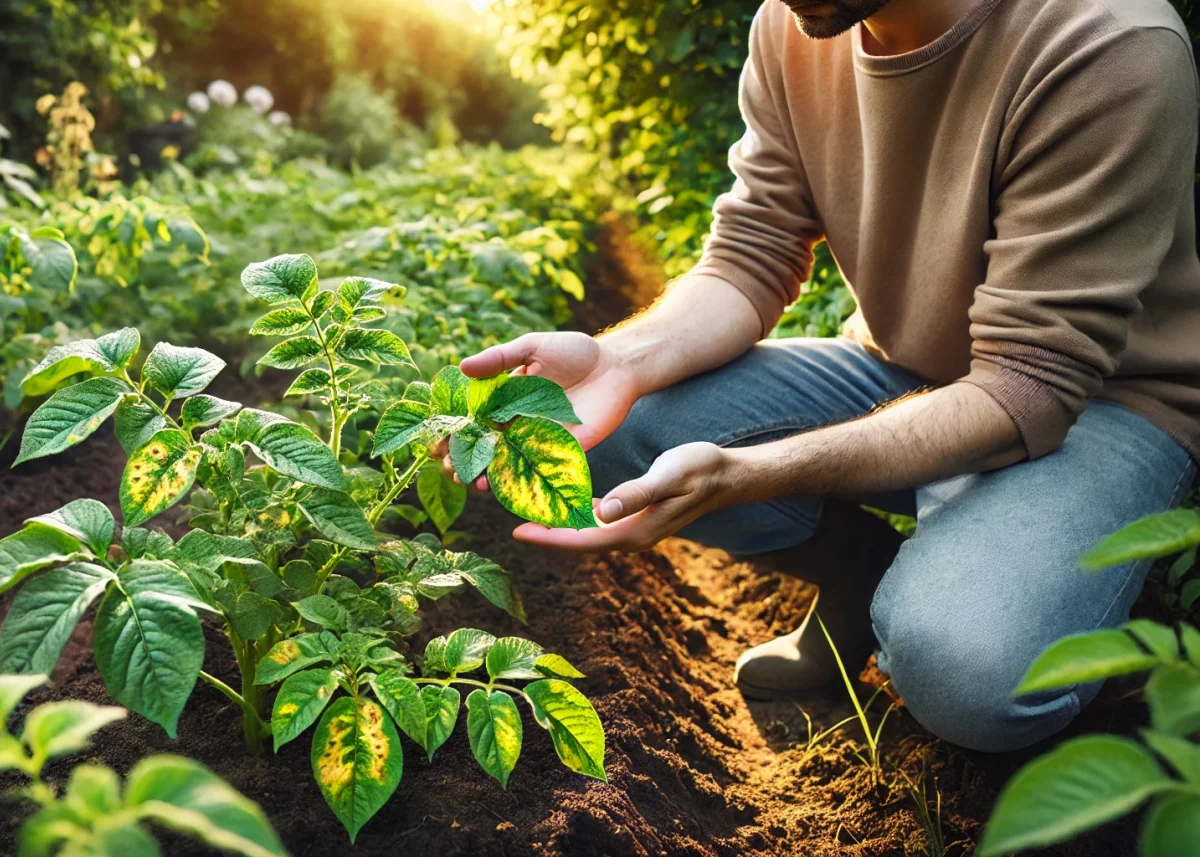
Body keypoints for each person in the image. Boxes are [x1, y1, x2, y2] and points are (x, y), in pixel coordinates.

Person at [454, 0, 1200, 753]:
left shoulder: (1105, 44)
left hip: (1099, 405)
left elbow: (1028, 383)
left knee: (966, 671)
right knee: (600, 433)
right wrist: (621, 359)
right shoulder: (795, 24)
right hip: (904, 368)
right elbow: (752, 252)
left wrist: (753, 472)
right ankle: (859, 574)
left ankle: (1053, 618)